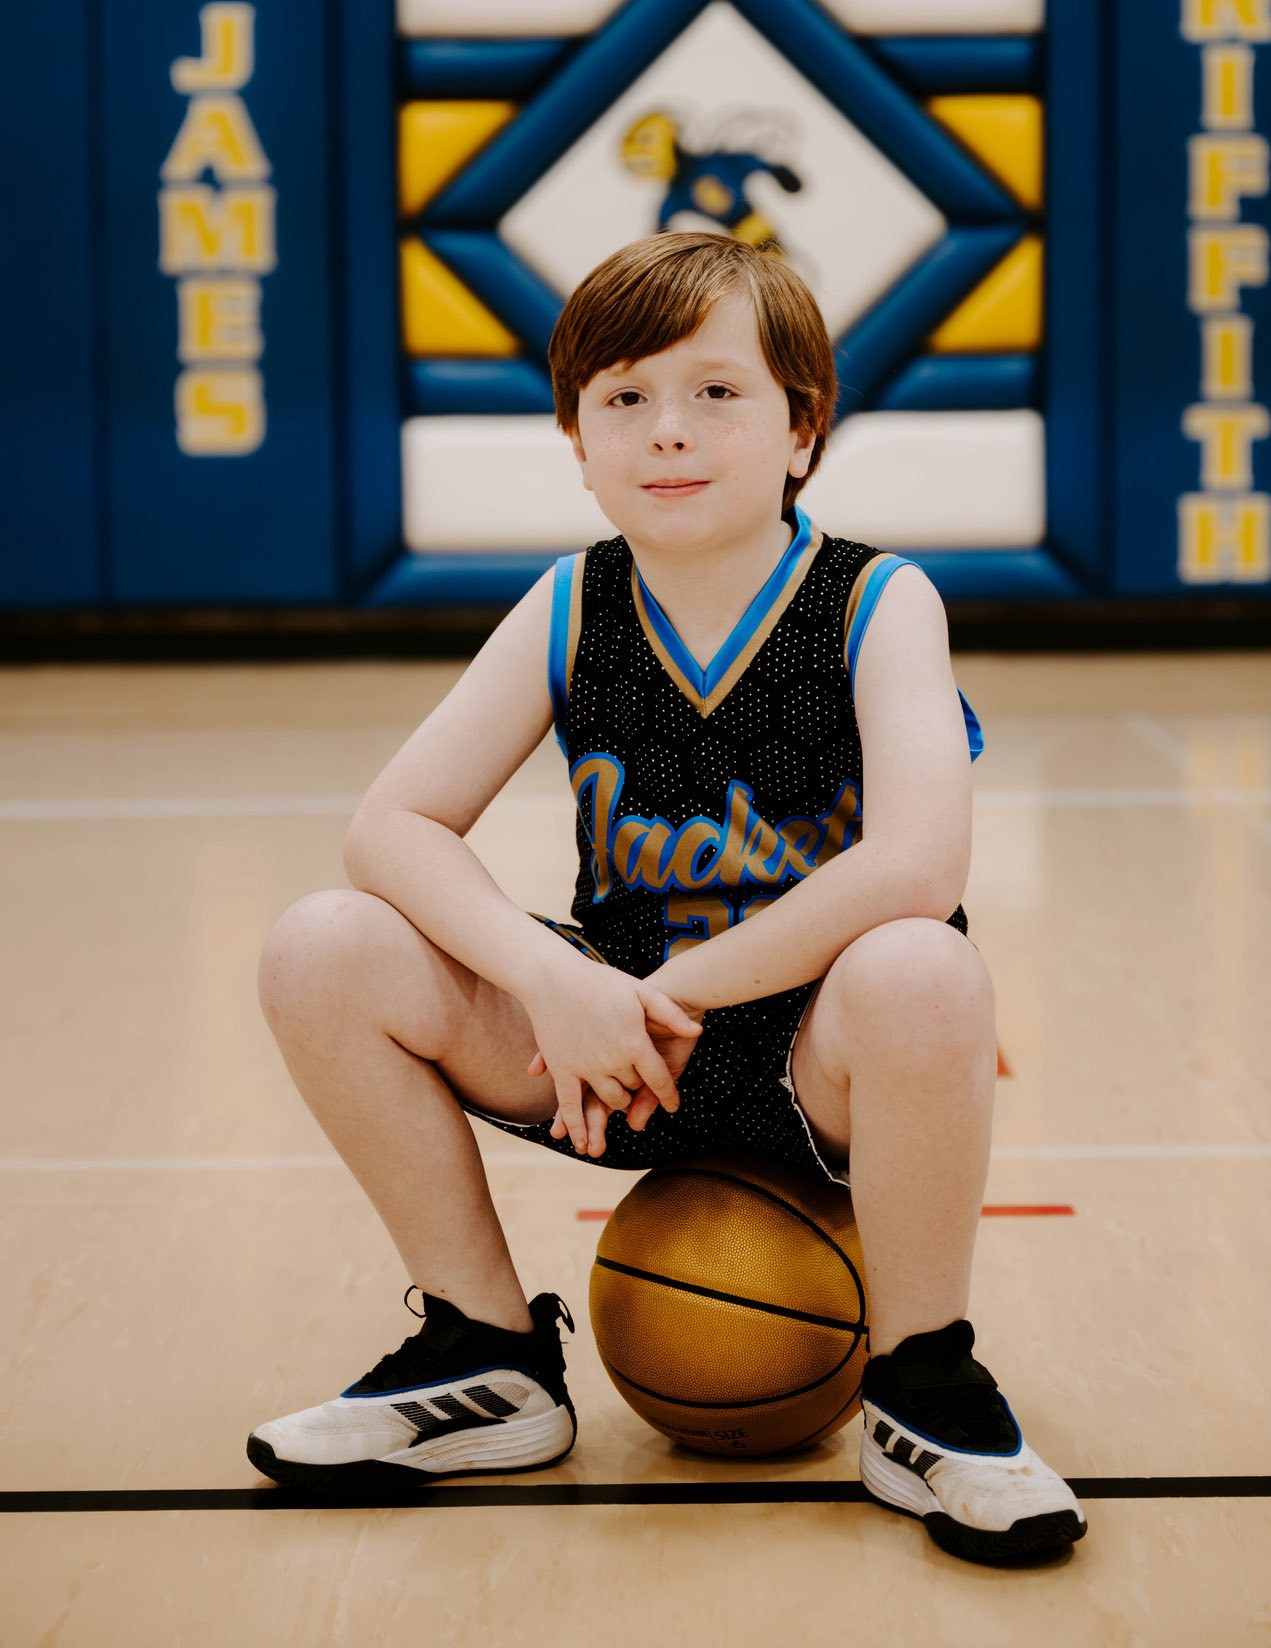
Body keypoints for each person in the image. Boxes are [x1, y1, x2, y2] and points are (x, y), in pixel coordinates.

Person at [249, 229, 1087, 1565]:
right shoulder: (571, 604)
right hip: (614, 1061)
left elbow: (919, 865)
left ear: (802, 428)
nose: (668, 430)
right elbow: (391, 827)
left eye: (716, 391)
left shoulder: (876, 601)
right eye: (625, 397)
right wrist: (557, 982)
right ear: (577, 441)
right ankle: (488, 1356)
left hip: (813, 1057)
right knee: (322, 946)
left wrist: (655, 994)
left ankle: (921, 1384)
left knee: (922, 963)